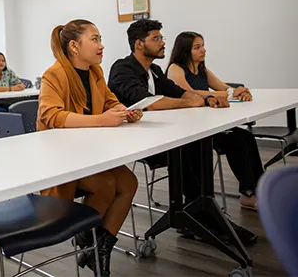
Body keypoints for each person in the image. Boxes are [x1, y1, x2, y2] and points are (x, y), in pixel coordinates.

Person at [108, 19, 257, 245]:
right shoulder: (122, 68)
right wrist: (192, 102)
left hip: (161, 133)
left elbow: (178, 92)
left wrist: (207, 99)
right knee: (192, 144)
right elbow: (146, 103)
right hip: (137, 141)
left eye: (161, 37)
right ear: (139, 44)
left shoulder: (155, 71)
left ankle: (201, 211)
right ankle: (199, 214)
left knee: (207, 139)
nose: (162, 43)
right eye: (155, 38)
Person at [37, 19, 141, 276]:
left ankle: (99, 249)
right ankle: (89, 241)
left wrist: (122, 111)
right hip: (61, 158)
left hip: (89, 153)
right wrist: (102, 120)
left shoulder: (95, 72)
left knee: (129, 183)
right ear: (74, 46)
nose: (101, 45)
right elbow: (52, 116)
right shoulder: (55, 74)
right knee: (106, 184)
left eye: (99, 39)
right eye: (94, 39)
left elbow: (109, 102)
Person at [167, 31, 262, 210]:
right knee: (237, 141)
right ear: (185, 51)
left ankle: (256, 189)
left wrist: (239, 91)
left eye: (202, 45)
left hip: (208, 124)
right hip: (189, 129)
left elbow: (224, 87)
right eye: (197, 47)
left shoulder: (202, 68)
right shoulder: (175, 69)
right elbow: (187, 92)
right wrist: (225, 93)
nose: (203, 50)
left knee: (246, 137)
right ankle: (248, 194)